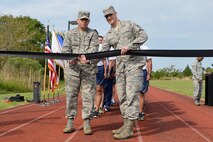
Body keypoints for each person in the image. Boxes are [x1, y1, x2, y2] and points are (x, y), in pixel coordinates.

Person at [101, 6, 148, 139]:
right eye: (106, 16)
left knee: (132, 95)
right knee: (121, 96)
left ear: (116, 14)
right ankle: (126, 123)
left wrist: (130, 46)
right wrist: (86, 58)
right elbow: (102, 52)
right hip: (120, 68)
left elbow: (144, 35)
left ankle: (129, 128)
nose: (109, 18)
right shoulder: (108, 35)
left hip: (133, 66)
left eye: (110, 15)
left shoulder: (129, 24)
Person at [62, 10, 99, 135]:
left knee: (88, 96)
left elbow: (94, 49)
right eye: (81, 19)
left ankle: (87, 122)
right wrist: (72, 59)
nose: (84, 21)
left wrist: (86, 59)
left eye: (86, 19)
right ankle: (70, 122)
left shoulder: (93, 34)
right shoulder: (70, 34)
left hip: (88, 70)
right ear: (77, 20)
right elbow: (66, 50)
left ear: (88, 21)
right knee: (71, 96)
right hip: (73, 70)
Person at [93, 35, 107, 118]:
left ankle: (97, 109)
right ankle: (92, 107)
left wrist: (105, 71)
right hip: (91, 68)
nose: (99, 41)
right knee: (91, 89)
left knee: (99, 89)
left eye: (100, 40)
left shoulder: (102, 47)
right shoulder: (90, 46)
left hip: (100, 68)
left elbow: (104, 60)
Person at [138, 45, 152, 121]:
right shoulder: (129, 46)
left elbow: (149, 61)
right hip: (132, 72)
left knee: (141, 93)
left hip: (142, 71)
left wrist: (149, 74)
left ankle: (140, 112)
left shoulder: (145, 48)